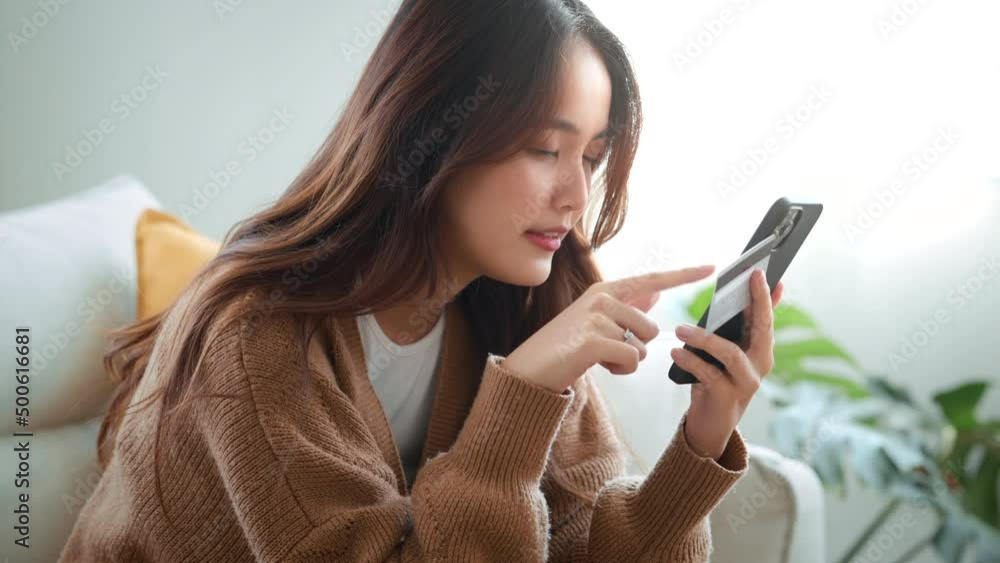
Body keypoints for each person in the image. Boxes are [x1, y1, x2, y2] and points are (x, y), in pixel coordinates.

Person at [59, 0, 784, 561]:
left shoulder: (519, 312)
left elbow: (584, 548)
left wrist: (702, 438)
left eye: (592, 158)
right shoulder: (254, 334)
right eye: (544, 148)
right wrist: (517, 401)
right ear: (432, 131)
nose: (575, 196)